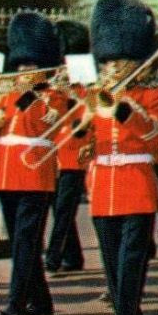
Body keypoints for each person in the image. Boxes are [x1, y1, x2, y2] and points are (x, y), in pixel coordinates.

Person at [85, 0, 158, 315]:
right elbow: (79, 138)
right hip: (104, 189)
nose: (114, 67)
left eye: (120, 60)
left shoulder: (155, 95)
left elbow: (154, 136)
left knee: (130, 269)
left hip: (136, 184)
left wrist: (125, 109)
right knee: (113, 270)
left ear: (137, 61)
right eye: (108, 61)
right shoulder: (93, 98)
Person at [0, 12, 67, 315]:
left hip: (34, 176)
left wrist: (28, 96)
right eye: (20, 66)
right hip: (5, 174)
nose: (22, 72)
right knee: (22, 241)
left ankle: (15, 302)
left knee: (25, 242)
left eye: (29, 67)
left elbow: (46, 124)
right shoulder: (8, 95)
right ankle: (41, 300)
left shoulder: (54, 97)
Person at [43, 19, 91, 275]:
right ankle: (73, 256)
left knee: (63, 208)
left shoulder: (85, 76)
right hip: (55, 150)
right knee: (59, 207)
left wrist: (69, 93)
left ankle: (53, 256)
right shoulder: (54, 79)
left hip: (74, 150)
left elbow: (88, 108)